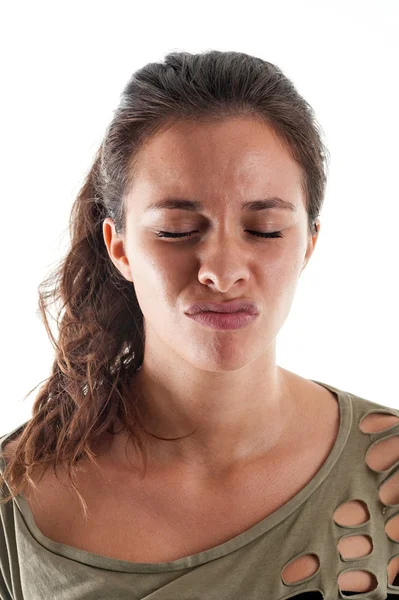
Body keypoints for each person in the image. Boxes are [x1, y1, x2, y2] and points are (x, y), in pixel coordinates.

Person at [0, 49, 398, 600]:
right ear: (120, 248)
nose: (223, 271)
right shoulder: (15, 496)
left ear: (309, 242)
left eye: (264, 229)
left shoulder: (390, 477)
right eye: (177, 230)